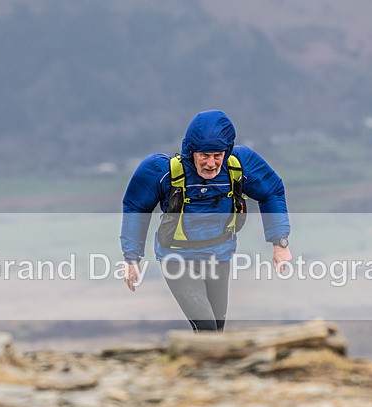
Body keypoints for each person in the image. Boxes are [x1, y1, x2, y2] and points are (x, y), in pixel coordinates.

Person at [120, 110, 292, 332]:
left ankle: (196, 365)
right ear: (191, 152)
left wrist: (280, 243)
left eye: (217, 155)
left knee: (216, 332)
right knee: (207, 329)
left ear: (226, 151)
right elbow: (136, 207)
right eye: (204, 155)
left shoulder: (239, 165)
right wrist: (131, 258)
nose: (211, 163)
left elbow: (272, 191)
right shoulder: (162, 171)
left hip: (219, 257)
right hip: (177, 260)